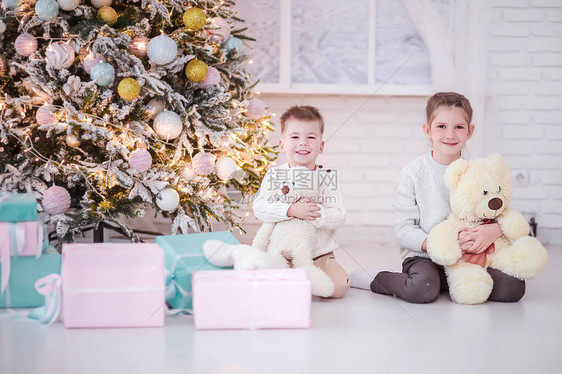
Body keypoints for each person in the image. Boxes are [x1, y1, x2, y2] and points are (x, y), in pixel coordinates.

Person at [350, 92, 525, 303]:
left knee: (513, 287)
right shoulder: (413, 172)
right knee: (421, 289)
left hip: (469, 258)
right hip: (425, 256)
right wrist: (440, 244)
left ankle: (449, 282)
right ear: (427, 130)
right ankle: (379, 279)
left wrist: (494, 229)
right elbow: (404, 231)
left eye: (459, 127)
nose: (450, 134)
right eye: (441, 126)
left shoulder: (478, 171)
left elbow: (500, 211)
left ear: (470, 131)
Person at [252, 105, 349, 298]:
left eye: (311, 137)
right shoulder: (275, 175)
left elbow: (339, 215)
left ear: (321, 146)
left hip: (318, 255)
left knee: (338, 288)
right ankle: (295, 279)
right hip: (281, 253)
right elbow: (260, 207)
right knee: (266, 284)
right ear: (282, 144)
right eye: (295, 137)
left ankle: (304, 277)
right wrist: (291, 210)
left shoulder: (327, 177)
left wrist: (314, 211)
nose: (303, 143)